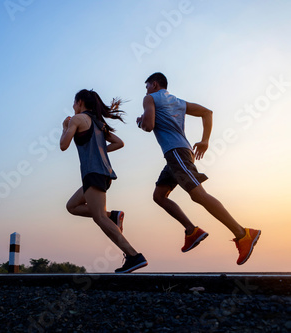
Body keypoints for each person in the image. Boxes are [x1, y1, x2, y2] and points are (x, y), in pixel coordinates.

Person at [137, 72, 261, 265]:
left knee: (198, 195)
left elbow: (149, 125)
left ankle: (242, 233)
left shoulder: (149, 99)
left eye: (146, 86)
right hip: (179, 154)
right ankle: (191, 231)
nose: (145, 90)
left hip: (176, 154)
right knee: (159, 196)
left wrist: (142, 120)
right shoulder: (176, 101)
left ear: (154, 84)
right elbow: (207, 112)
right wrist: (205, 140)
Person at [60, 89, 148, 273]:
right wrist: (99, 149)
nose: (73, 106)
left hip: (93, 173)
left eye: (74, 103)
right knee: (72, 206)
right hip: (104, 173)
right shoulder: (99, 123)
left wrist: (64, 127)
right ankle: (113, 216)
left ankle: (134, 256)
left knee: (98, 217)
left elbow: (63, 145)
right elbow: (119, 142)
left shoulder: (77, 120)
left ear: (81, 102)